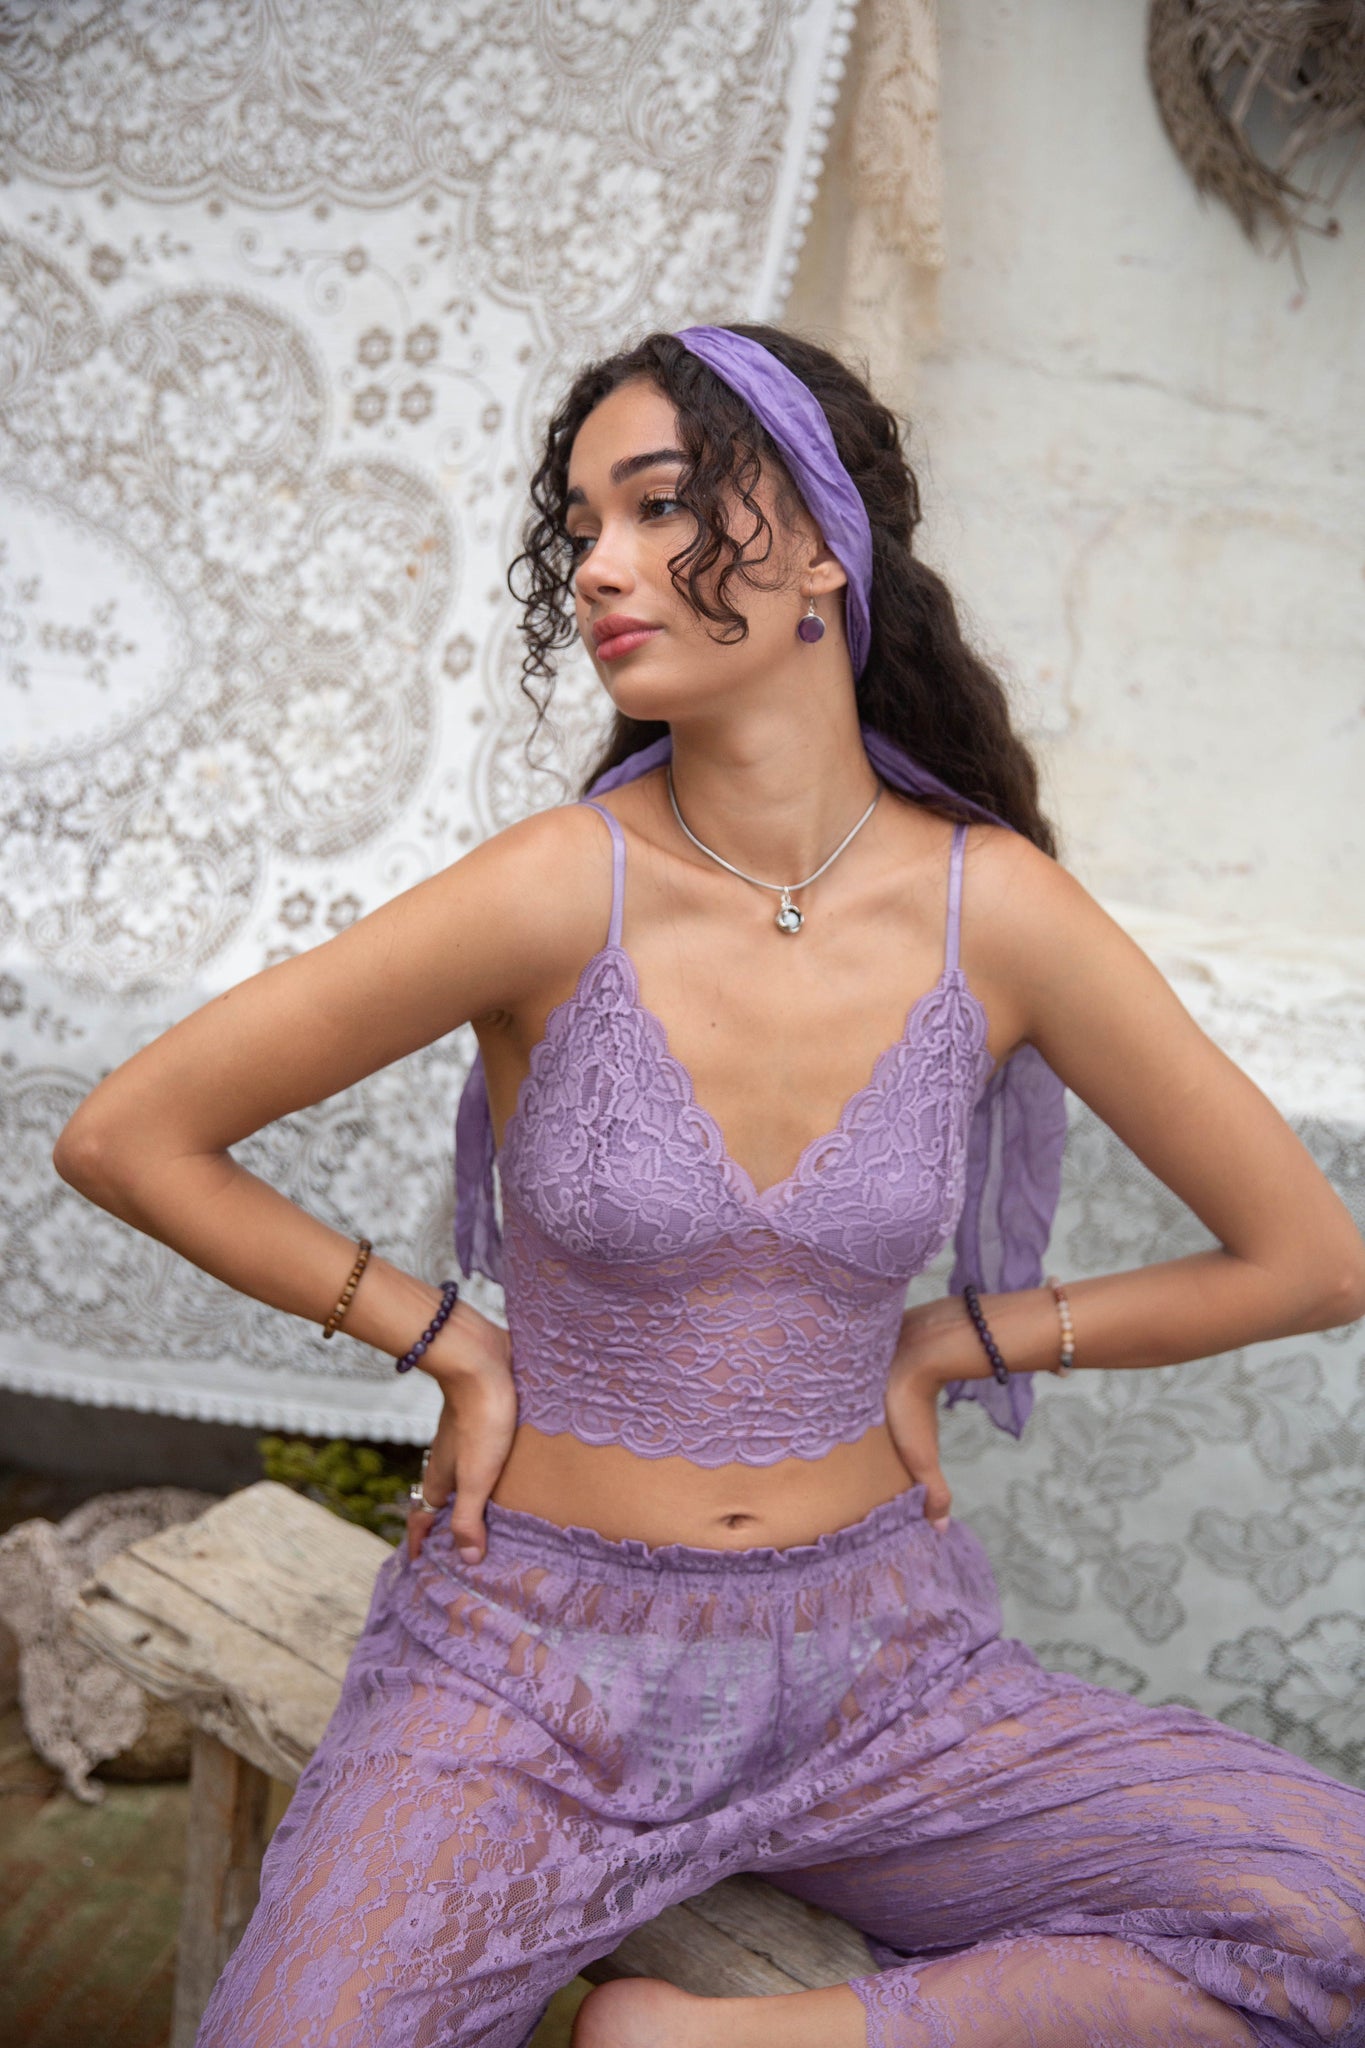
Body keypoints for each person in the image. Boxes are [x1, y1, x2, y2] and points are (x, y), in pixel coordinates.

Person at [53, 323, 1365, 2048]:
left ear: (822, 543)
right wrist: (447, 1339)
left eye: (658, 505)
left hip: (881, 1674)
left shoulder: (996, 910)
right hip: (533, 1670)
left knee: (1339, 1914)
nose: (600, 565)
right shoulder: (555, 886)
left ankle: (728, 2042)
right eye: (582, 526)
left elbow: (1308, 1259)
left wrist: (960, 1339)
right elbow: (128, 1133)